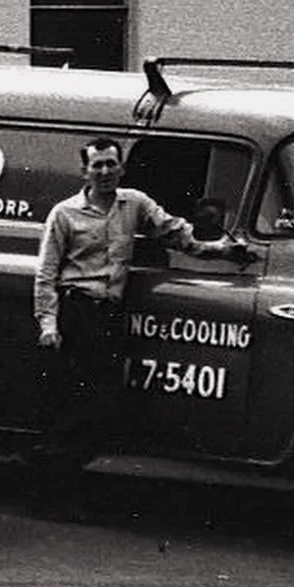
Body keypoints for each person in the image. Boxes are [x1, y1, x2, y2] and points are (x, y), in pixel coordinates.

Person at [30, 137, 233, 494]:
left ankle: (59, 475)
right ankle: (53, 481)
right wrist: (48, 324)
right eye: (97, 165)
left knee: (103, 400)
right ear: (84, 172)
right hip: (77, 311)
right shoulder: (64, 214)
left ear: (122, 168)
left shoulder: (134, 203)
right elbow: (46, 273)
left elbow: (175, 232)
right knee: (79, 399)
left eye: (111, 164)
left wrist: (220, 250)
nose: (105, 171)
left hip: (109, 314)